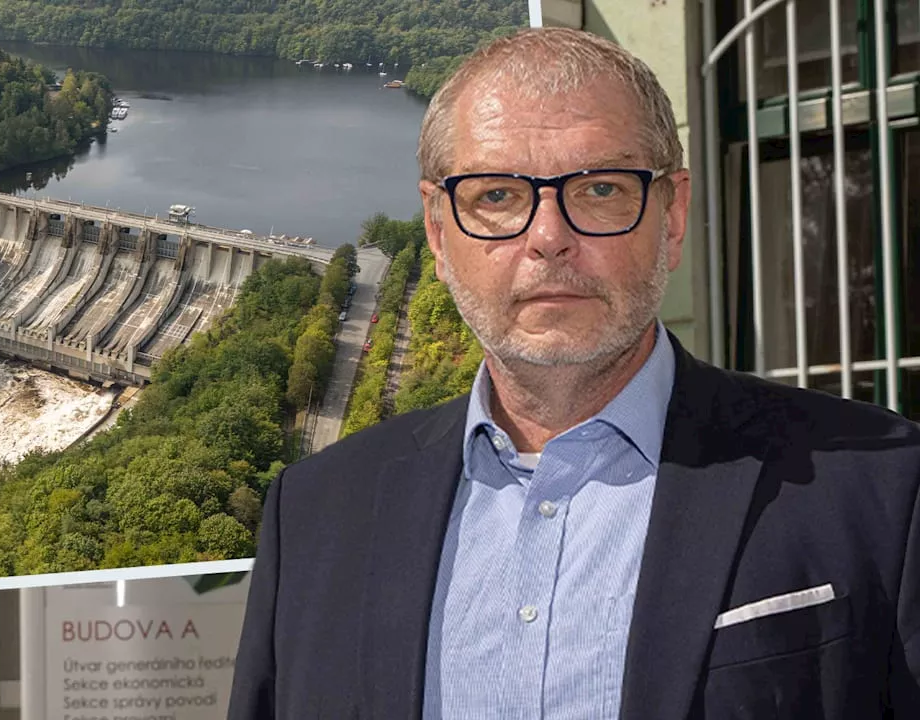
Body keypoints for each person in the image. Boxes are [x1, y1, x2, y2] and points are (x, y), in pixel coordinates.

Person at [227, 27, 920, 720]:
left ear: (671, 218)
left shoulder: (882, 493)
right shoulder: (315, 515)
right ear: (439, 234)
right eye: (496, 195)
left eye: (598, 189)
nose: (548, 236)